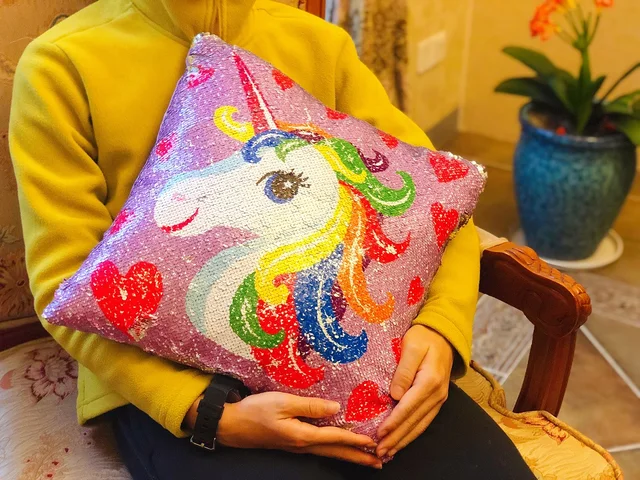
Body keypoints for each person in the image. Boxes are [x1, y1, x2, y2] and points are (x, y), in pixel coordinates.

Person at [9, 0, 535, 479]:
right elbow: (62, 281)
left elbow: (436, 196)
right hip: (171, 382)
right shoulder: (62, 64)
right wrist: (205, 412)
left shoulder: (320, 46)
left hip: (356, 357)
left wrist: (441, 327)